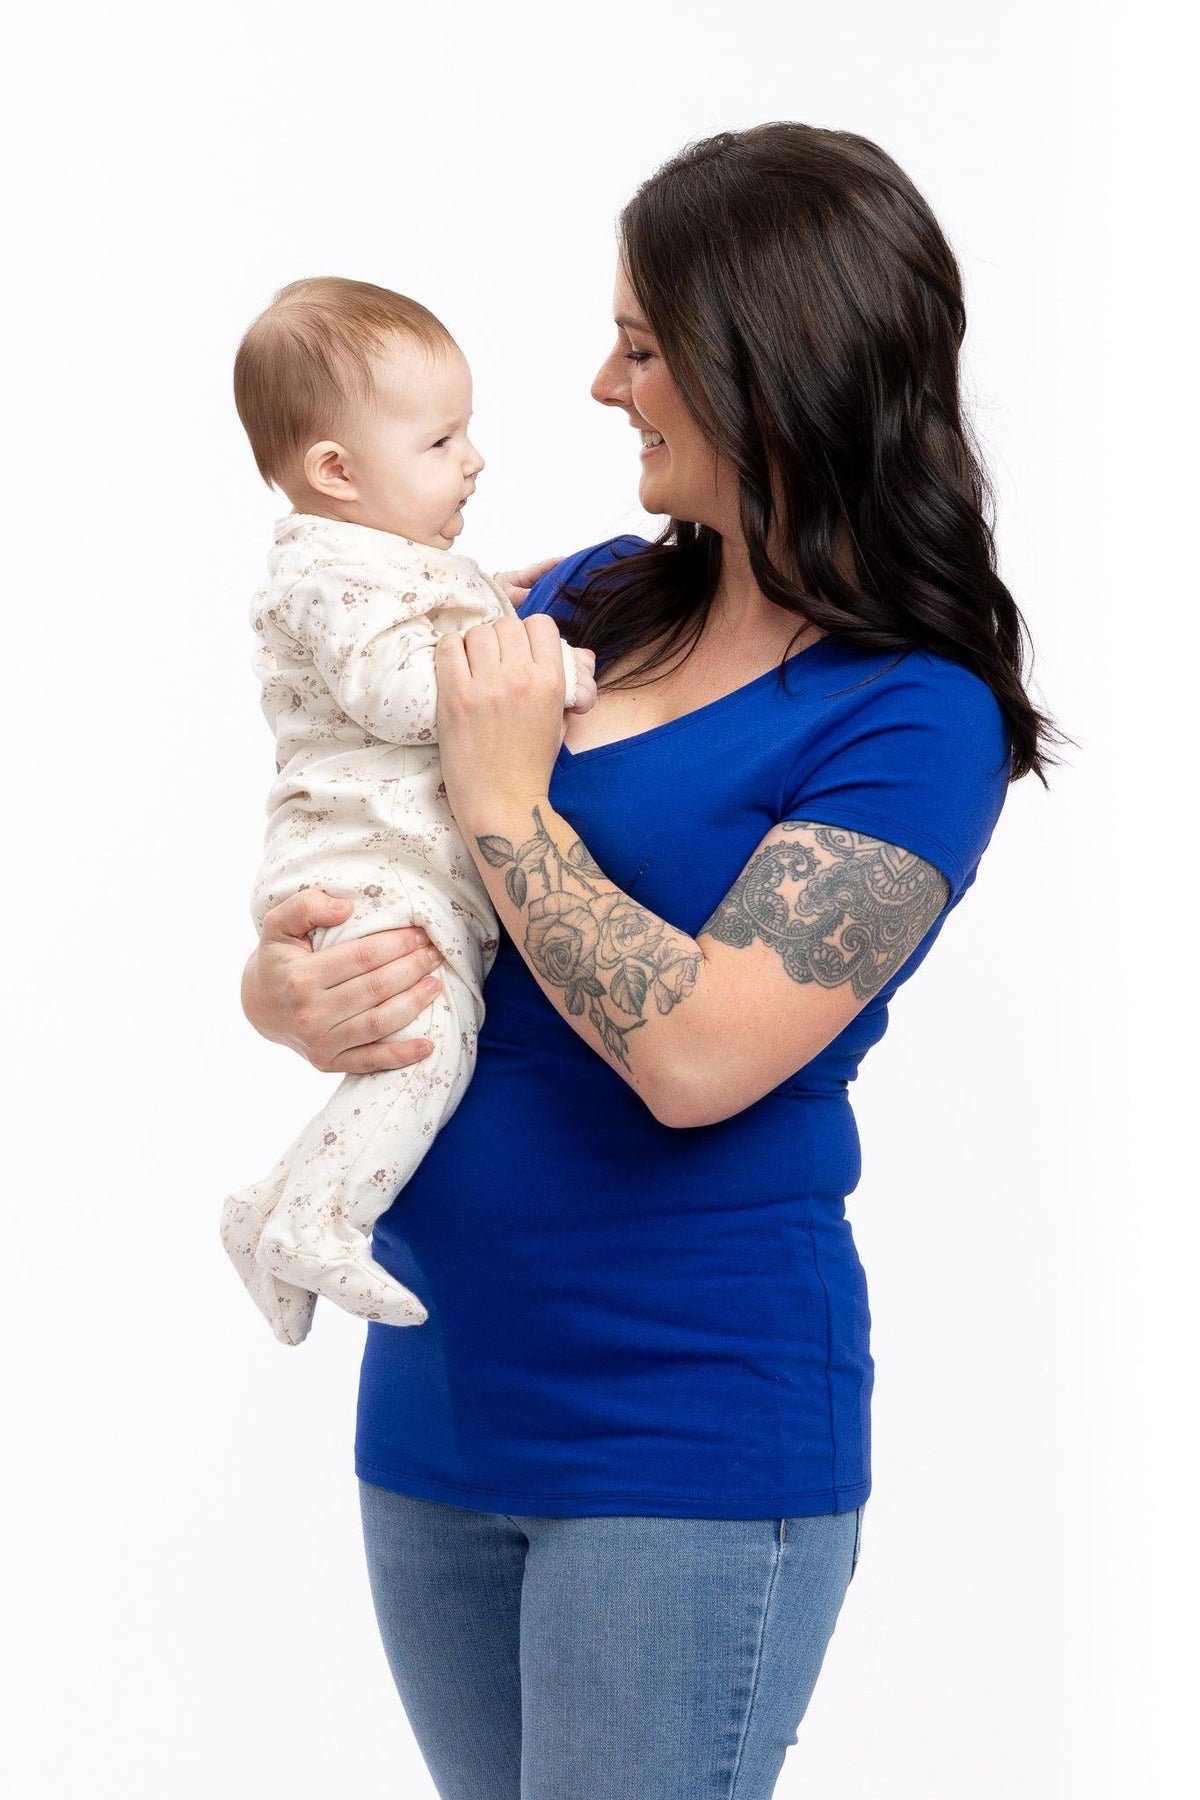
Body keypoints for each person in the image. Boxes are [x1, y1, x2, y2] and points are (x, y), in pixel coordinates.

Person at [238, 124, 1058, 1800]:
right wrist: (286, 987)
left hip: (684, 1431)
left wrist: (505, 799)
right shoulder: (596, 601)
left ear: (771, 363)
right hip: (440, 1395)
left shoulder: (913, 717)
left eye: (641, 345)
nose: (604, 387)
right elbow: (363, 816)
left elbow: (695, 1057)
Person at [220, 277, 597, 1346]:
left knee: (431, 1037)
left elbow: (425, 615)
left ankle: (269, 1207)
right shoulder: (325, 569)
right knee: (426, 1045)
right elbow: (395, 688)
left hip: (398, 863)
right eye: (439, 443)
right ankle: (325, 1217)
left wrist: (491, 598)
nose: (472, 461)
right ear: (336, 472)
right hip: (365, 866)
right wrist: (536, 670)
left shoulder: (383, 556)